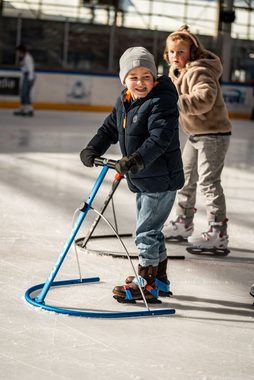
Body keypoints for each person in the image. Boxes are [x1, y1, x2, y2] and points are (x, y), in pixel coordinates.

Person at [80, 47, 184, 303]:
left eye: (146, 76)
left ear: (155, 78)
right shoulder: (125, 101)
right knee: (153, 230)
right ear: (124, 79)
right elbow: (109, 129)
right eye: (133, 77)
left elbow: (160, 138)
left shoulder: (162, 100)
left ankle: (147, 285)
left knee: (145, 233)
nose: (140, 83)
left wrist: (136, 160)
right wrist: (94, 148)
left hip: (160, 177)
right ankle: (158, 279)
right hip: (144, 177)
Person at [162, 25, 232, 251]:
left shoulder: (199, 71)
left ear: (191, 52)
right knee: (184, 178)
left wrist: (176, 102)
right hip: (196, 135)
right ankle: (183, 223)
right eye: (171, 52)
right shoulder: (179, 74)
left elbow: (205, 99)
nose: (175, 56)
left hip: (213, 135)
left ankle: (218, 231)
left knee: (209, 183)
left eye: (180, 52)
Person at [14, 44, 35, 117]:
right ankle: (23, 108)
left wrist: (30, 79)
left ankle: (28, 109)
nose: (17, 53)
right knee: (23, 93)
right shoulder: (24, 58)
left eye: (18, 52)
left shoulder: (27, 58)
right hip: (25, 76)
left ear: (21, 51)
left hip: (29, 76)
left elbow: (31, 69)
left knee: (25, 93)